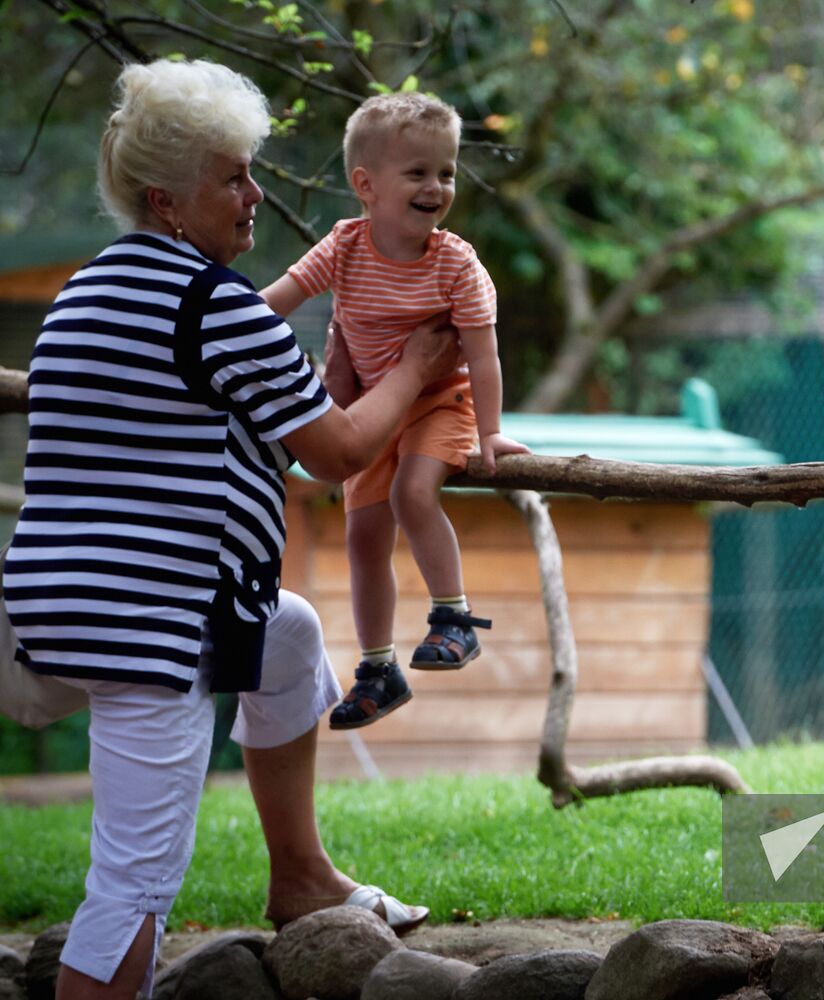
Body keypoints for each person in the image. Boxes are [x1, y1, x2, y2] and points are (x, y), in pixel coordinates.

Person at [2, 59, 460, 999]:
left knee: (287, 633)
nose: (255, 195)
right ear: (167, 198)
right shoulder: (218, 307)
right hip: (147, 626)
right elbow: (335, 454)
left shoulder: (79, 297)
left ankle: (300, 876)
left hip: (38, 612)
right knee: (132, 886)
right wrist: (414, 372)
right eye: (234, 177)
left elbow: (216, 432)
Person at [261, 92, 528, 731]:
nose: (437, 186)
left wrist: (490, 432)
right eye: (418, 172)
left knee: (414, 494)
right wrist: (216, 331)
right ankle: (378, 669)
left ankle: (453, 617)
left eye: (447, 172)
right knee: (363, 537)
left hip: (442, 399)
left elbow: (484, 355)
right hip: (376, 409)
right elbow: (277, 300)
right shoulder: (344, 245)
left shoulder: (456, 262)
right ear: (366, 185)